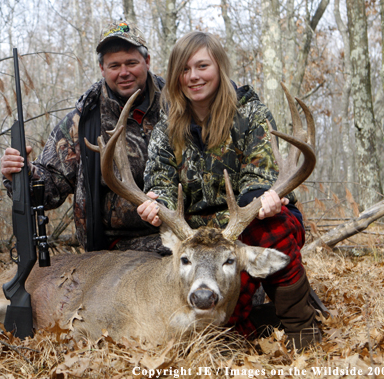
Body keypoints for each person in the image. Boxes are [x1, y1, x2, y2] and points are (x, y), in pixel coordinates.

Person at [136, 31, 321, 349]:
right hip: (195, 236)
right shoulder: (167, 126)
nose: (193, 77)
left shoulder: (251, 114)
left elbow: (260, 175)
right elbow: (162, 181)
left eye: (202, 66)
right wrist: (157, 204)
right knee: (228, 334)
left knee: (273, 225)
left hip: (243, 229)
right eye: (184, 69)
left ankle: (303, 329)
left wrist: (263, 200)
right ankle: (248, 324)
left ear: (220, 67)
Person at [1, 20, 167, 253]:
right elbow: (49, 189)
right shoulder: (82, 122)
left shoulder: (178, 107)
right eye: (114, 65)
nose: (124, 72)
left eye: (132, 63)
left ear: (147, 62)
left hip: (179, 235)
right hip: (116, 249)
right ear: (102, 69)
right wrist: (21, 174)